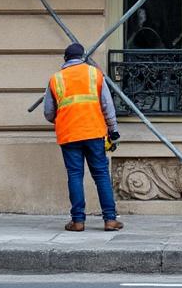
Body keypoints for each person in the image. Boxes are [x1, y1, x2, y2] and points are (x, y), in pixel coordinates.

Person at [43, 42, 124, 232]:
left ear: (65, 59)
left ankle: (78, 221)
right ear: (82, 57)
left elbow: (48, 112)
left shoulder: (56, 79)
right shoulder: (94, 74)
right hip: (94, 132)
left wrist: (63, 118)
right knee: (101, 175)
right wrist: (113, 129)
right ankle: (110, 220)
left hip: (69, 135)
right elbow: (107, 106)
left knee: (75, 176)